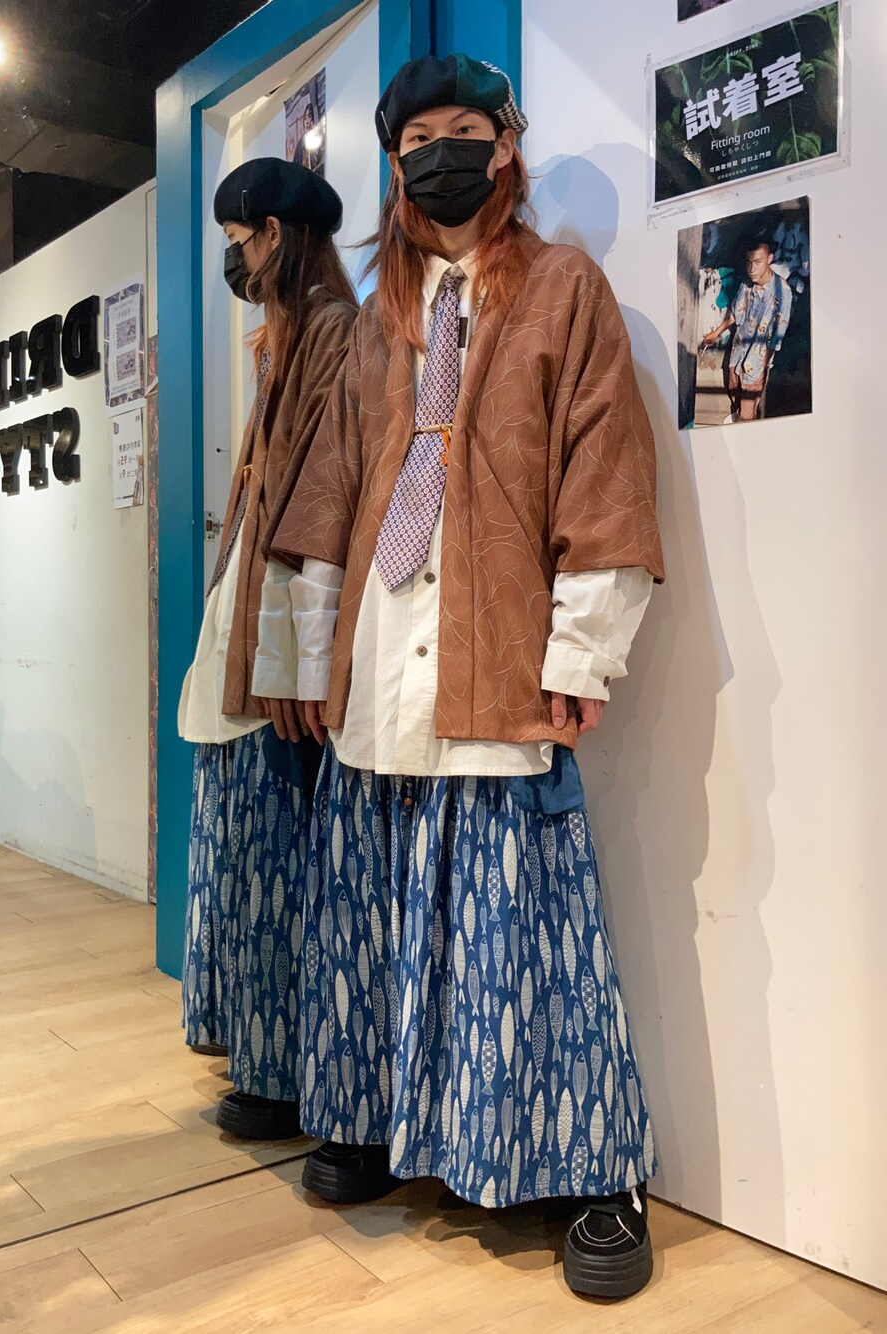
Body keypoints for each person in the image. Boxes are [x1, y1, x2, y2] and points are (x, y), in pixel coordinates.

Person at [268, 54, 665, 1300]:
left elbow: (605, 471)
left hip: (498, 661)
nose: (443, 152)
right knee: (374, 915)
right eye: (418, 138)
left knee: (531, 929)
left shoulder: (562, 289)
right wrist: (310, 649)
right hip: (382, 663)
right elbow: (329, 495)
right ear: (396, 166)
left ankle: (593, 1170)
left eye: (466, 131)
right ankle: (376, 1119)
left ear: (505, 148)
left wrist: (584, 649)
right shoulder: (374, 322)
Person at [179, 157, 357, 1141]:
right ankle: (262, 1058)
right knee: (249, 859)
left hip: (278, 656)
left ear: (275, 236)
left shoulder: (333, 333)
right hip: (250, 637)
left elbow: (322, 505)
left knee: (276, 867)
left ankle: (283, 1071)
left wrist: (295, 660)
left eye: (238, 242)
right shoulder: (288, 340)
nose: (234, 261)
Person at [702, 235, 792, 423]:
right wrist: (716, 333)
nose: (752, 269)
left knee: (747, 414)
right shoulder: (746, 283)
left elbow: (777, 338)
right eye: (749, 262)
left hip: (755, 363)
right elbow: (735, 314)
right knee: (734, 395)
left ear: (769, 259)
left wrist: (762, 368)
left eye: (758, 262)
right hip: (737, 354)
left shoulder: (782, 292)